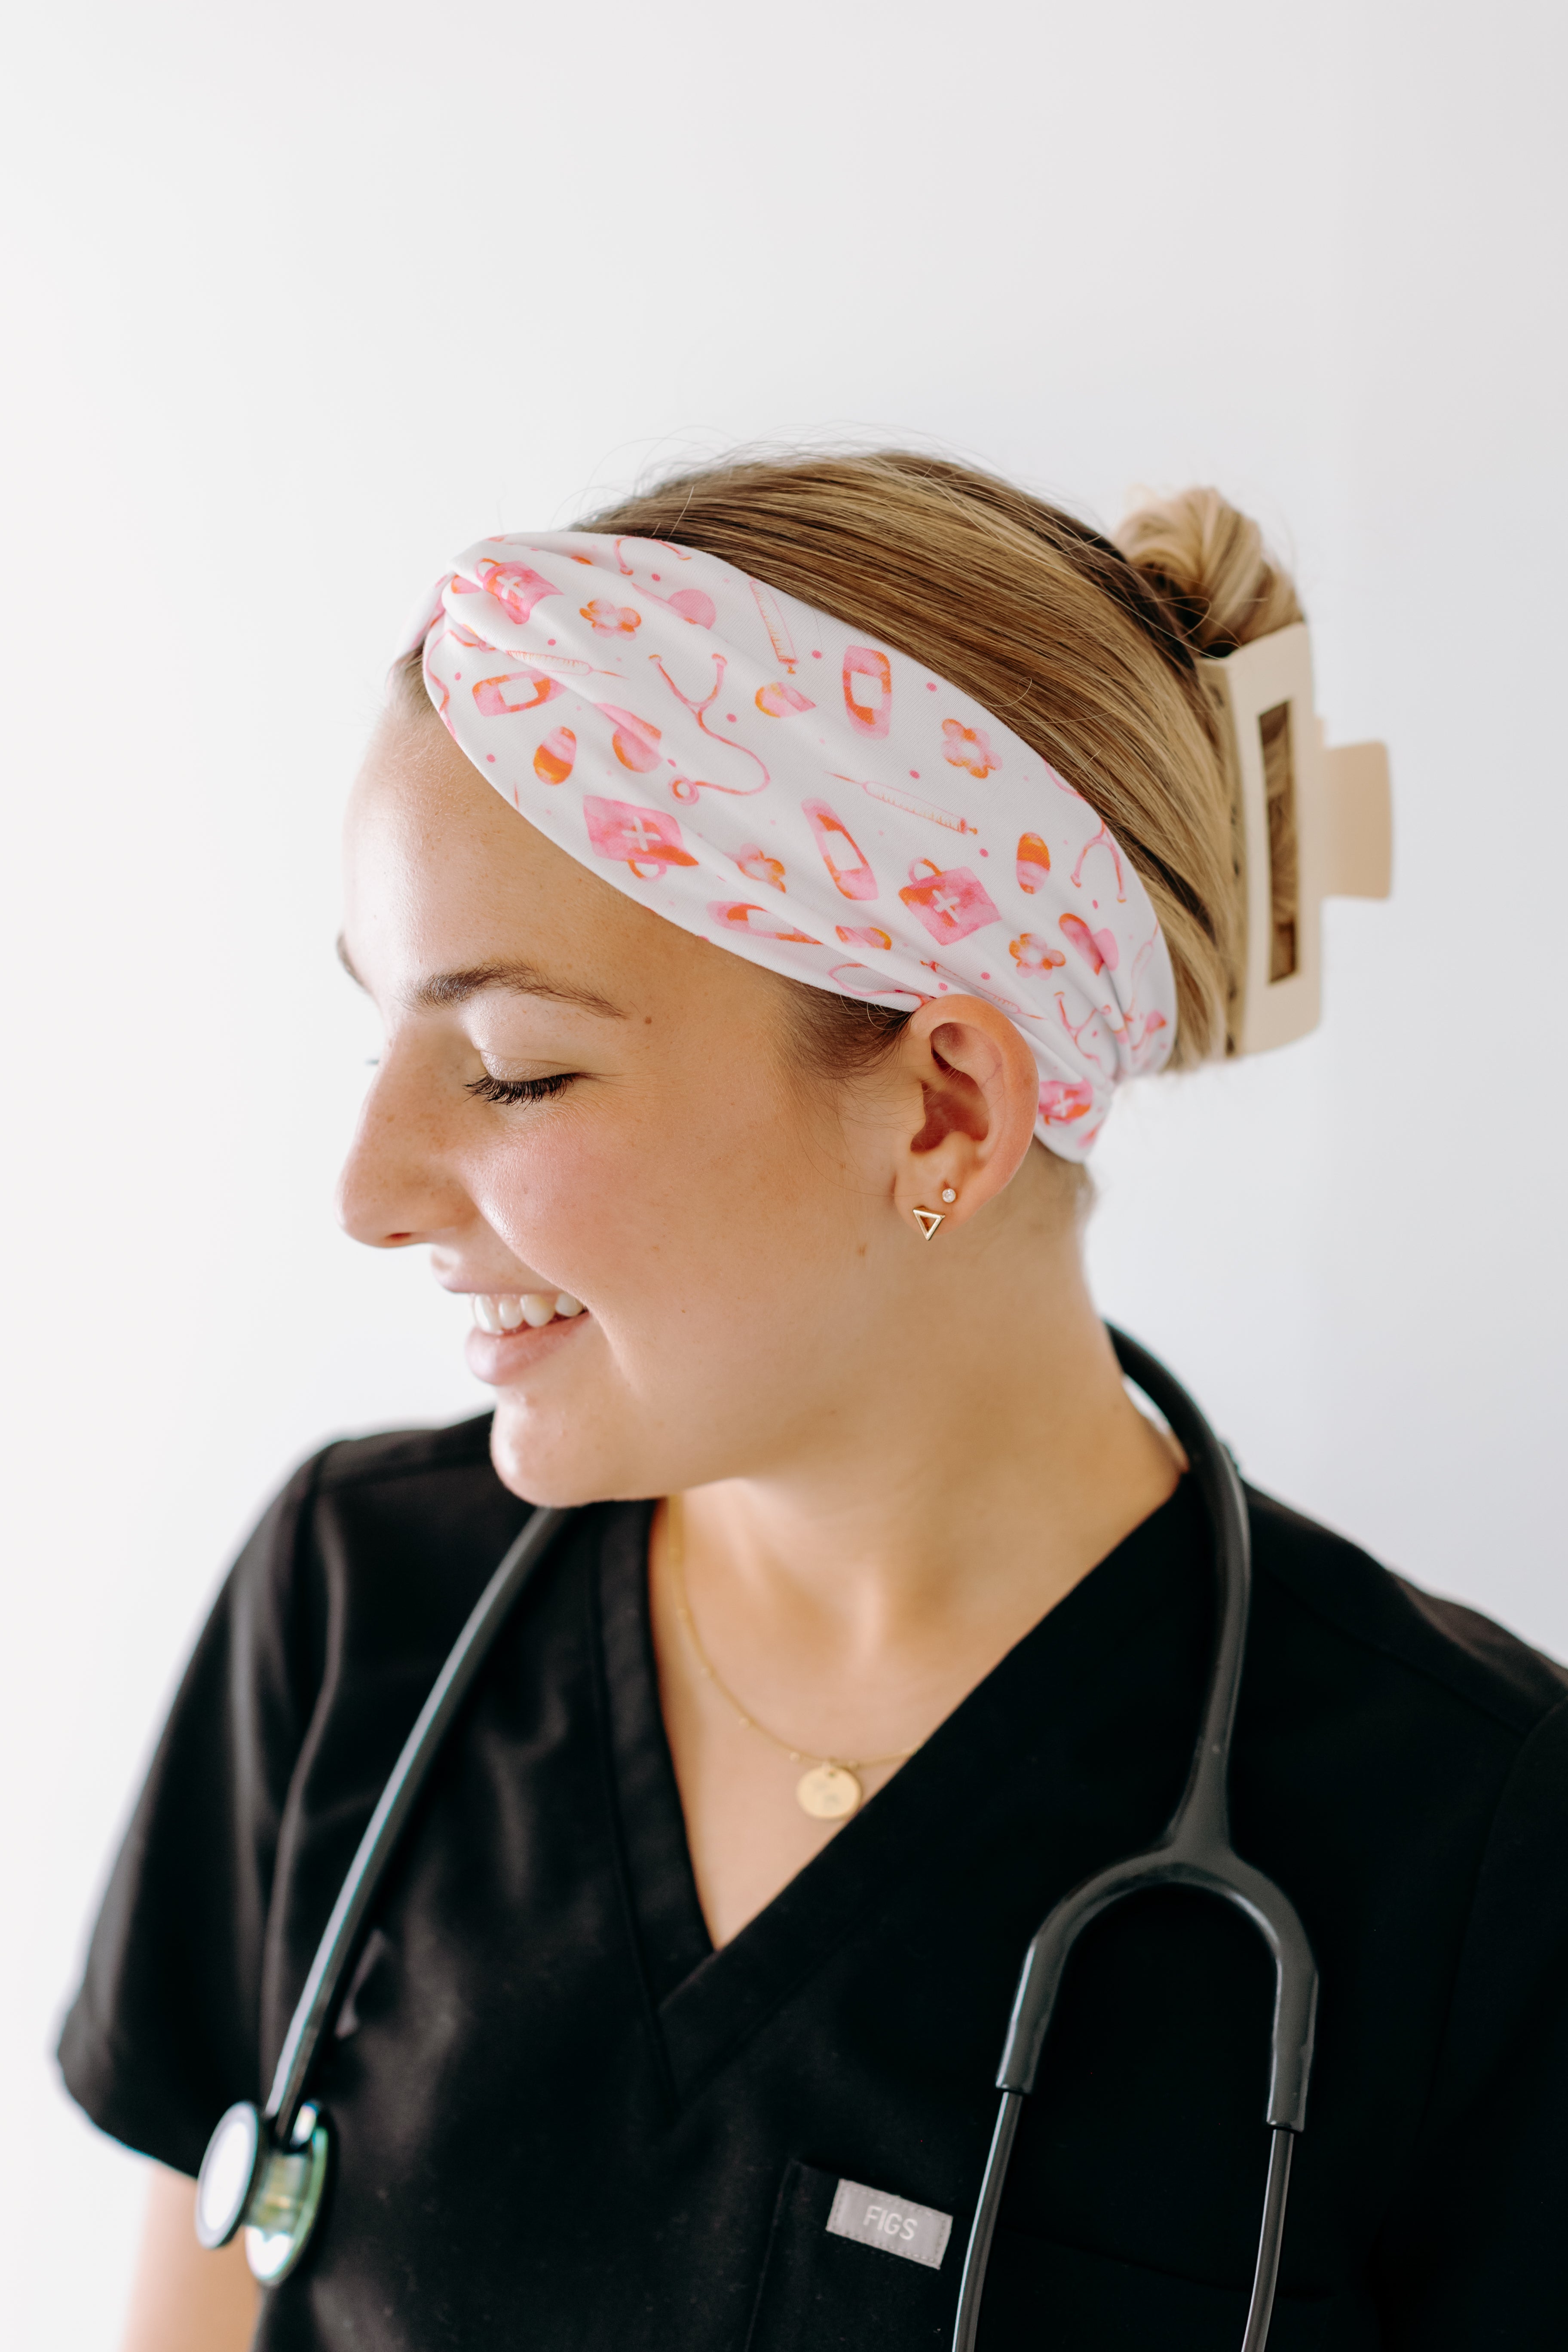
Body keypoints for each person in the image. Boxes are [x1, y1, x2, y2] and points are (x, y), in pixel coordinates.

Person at [61, 453, 1568, 2351]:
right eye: (382, 1036)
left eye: (514, 1070)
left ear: (944, 1105)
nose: (369, 1190)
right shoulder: (359, 1596)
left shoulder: (1475, 1845)